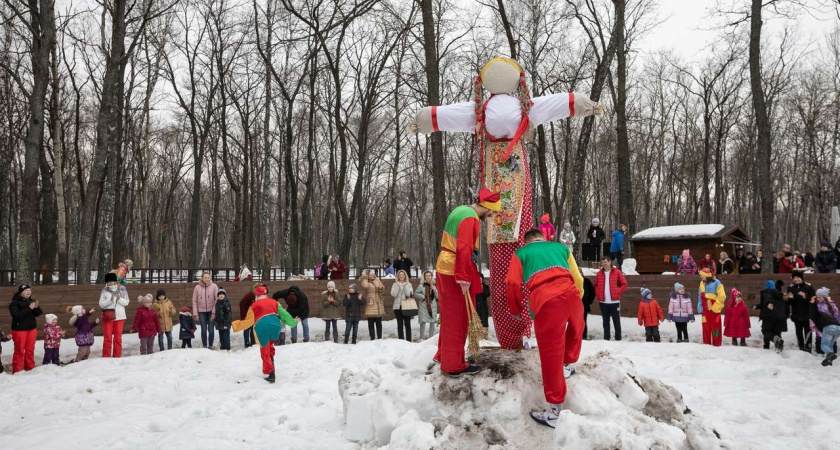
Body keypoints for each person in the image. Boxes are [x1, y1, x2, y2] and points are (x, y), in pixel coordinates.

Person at [408, 57, 604, 352]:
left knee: (503, 249)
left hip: (497, 173)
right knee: (514, 244)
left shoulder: (481, 110)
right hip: (511, 172)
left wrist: (423, 119)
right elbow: (559, 103)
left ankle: (513, 330)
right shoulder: (522, 107)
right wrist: (584, 104)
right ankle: (520, 328)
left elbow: (446, 115)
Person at [504, 228, 585, 427]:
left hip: (546, 300)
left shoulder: (521, 253)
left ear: (526, 241)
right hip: (571, 293)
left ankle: (555, 411)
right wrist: (577, 296)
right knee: (576, 329)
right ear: (543, 237)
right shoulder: (561, 248)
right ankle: (568, 364)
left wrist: (516, 308)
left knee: (550, 352)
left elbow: (513, 283)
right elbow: (578, 277)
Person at [433, 189, 499, 376]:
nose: (491, 215)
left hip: (444, 265)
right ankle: (453, 365)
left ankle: (444, 355)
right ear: (486, 206)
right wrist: (463, 276)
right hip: (455, 268)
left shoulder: (461, 209)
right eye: (491, 211)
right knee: (458, 318)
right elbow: (464, 247)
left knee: (448, 315)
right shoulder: (471, 218)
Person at [232, 286, 298, 383]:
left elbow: (248, 322)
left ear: (257, 295)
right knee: (270, 346)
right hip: (275, 327)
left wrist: (236, 326)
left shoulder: (254, 306)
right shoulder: (275, 302)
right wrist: (293, 322)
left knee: (265, 351)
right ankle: (272, 370)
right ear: (265, 294)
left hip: (263, 329)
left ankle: (271, 374)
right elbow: (284, 315)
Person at [8, 284, 42, 373]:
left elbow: (38, 314)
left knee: (30, 350)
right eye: (26, 290)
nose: (28, 292)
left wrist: (36, 307)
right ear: (21, 293)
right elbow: (17, 316)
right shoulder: (14, 303)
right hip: (19, 330)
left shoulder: (31, 301)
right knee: (19, 350)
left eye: (29, 290)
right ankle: (17, 370)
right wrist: (29, 308)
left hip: (32, 329)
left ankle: (30, 368)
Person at [595, 255, 627, 341]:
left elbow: (624, 284)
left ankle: (618, 338)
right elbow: (596, 285)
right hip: (603, 302)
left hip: (614, 302)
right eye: (602, 262)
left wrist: (618, 291)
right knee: (605, 322)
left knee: (616, 321)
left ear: (609, 262)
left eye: (605, 262)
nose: (604, 264)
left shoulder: (617, 272)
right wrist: (598, 293)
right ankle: (606, 338)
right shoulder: (599, 273)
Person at [99, 273, 130, 358]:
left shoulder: (122, 290)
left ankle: (117, 356)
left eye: (112, 281)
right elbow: (101, 304)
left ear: (116, 281)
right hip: (108, 317)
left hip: (120, 317)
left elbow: (126, 302)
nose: (111, 283)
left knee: (118, 338)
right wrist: (110, 300)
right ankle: (106, 356)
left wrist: (119, 298)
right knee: (107, 337)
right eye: (109, 282)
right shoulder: (104, 291)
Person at [754, 280, 786, 352]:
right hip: (778, 317)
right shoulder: (778, 294)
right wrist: (757, 306)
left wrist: (768, 303)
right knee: (777, 332)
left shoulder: (766, 292)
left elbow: (767, 299)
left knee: (765, 331)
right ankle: (779, 347)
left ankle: (766, 346)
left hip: (768, 316)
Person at [786, 271, 816, 351]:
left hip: (807, 314)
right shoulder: (791, 288)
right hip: (796, 314)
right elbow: (790, 303)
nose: (796, 279)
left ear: (801, 278)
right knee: (798, 332)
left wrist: (805, 297)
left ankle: (808, 347)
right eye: (794, 278)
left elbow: (813, 301)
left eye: (797, 277)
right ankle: (801, 347)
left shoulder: (809, 287)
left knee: (807, 331)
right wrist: (791, 299)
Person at [809, 295, 840, 366]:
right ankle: (829, 360)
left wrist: (812, 302)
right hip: (838, 328)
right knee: (830, 345)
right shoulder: (824, 314)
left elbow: (813, 310)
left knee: (823, 345)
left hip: (829, 328)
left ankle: (831, 354)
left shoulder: (816, 314)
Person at [698, 268, 725, 347]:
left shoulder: (717, 283)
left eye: (701, 275)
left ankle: (717, 345)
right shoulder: (701, 283)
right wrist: (700, 308)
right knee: (706, 328)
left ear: (707, 276)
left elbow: (722, 297)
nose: (700, 277)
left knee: (716, 329)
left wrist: (715, 308)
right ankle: (706, 344)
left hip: (714, 311)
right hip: (705, 311)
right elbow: (699, 297)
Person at [192, 272, 219, 349]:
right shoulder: (197, 287)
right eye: (205, 277)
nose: (207, 279)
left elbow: (216, 300)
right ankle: (204, 345)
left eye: (208, 277)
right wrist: (195, 313)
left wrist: (214, 313)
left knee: (211, 329)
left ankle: (210, 345)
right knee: (203, 329)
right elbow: (194, 301)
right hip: (201, 312)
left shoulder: (214, 286)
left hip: (211, 311)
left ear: (210, 278)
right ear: (202, 278)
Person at [360, 269, 386, 340]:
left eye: (372, 275)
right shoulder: (365, 281)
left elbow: (383, 288)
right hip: (370, 304)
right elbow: (365, 286)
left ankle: (379, 337)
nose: (371, 276)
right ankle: (372, 338)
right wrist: (364, 277)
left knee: (378, 322)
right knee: (370, 322)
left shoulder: (377, 280)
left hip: (378, 303)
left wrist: (381, 288)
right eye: (370, 275)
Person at [392, 270, 416, 341]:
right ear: (398, 276)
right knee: (399, 324)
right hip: (397, 307)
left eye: (403, 275)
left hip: (406, 307)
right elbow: (393, 294)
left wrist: (405, 285)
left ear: (405, 276)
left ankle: (408, 340)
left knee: (407, 324)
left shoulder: (409, 284)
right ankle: (401, 340)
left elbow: (409, 294)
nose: (401, 276)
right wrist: (397, 285)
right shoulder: (394, 284)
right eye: (400, 275)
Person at [415, 271, 439, 341]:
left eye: (429, 275)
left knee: (432, 323)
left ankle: (430, 339)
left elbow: (438, 297)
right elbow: (415, 294)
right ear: (424, 277)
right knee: (422, 323)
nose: (428, 277)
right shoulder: (421, 285)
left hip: (433, 307)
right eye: (427, 276)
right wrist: (421, 296)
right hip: (423, 307)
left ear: (431, 276)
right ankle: (421, 339)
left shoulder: (435, 285)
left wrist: (435, 290)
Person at [239, 283, 264, 348]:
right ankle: (247, 343)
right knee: (247, 329)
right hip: (247, 315)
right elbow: (242, 303)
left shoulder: (260, 296)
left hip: (255, 315)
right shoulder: (250, 295)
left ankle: (253, 342)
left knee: (253, 329)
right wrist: (244, 314)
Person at [581, 269, 595, 340]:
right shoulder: (572, 280)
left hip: (584, 305)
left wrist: (589, 302)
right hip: (574, 306)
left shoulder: (586, 281)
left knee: (583, 321)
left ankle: (584, 336)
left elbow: (592, 292)